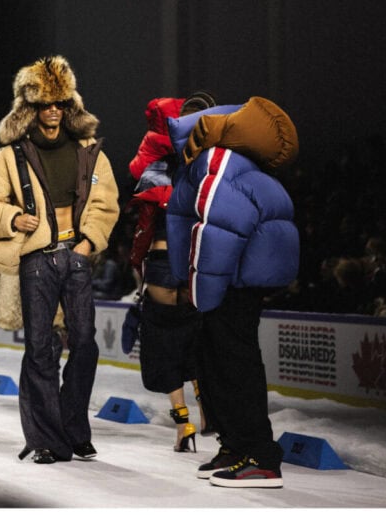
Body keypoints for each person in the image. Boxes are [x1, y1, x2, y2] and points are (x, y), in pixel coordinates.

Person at [0, 55, 120, 464]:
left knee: (85, 344)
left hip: (76, 255)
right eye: (44, 104)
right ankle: (47, 439)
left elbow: (106, 202)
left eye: (59, 103)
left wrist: (88, 244)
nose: (52, 111)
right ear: (30, 108)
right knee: (40, 350)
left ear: (69, 105)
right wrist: (12, 217)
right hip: (36, 259)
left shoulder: (89, 152)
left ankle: (73, 428)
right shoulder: (11, 155)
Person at [165, 96, 300, 488]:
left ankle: (260, 457)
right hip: (239, 276)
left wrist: (201, 290)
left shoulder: (219, 158)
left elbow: (220, 228)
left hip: (232, 280)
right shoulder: (226, 157)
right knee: (217, 360)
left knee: (234, 364)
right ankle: (237, 446)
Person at [127, 93, 214, 454]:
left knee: (164, 348)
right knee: (195, 341)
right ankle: (206, 411)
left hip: (162, 262)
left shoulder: (158, 166)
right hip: (196, 262)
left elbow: (144, 218)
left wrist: (137, 263)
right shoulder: (211, 166)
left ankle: (183, 424)